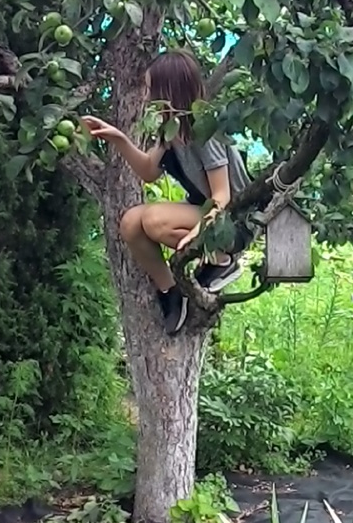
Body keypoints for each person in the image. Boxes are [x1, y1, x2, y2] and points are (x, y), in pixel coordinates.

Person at [82, 49, 250, 335]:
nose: (147, 98)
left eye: (152, 90)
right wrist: (118, 138)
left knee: (154, 220)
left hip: (233, 221)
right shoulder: (172, 128)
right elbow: (148, 171)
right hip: (205, 211)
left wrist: (201, 233)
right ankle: (170, 292)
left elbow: (222, 196)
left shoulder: (202, 128)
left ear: (169, 91)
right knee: (131, 223)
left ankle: (223, 260)